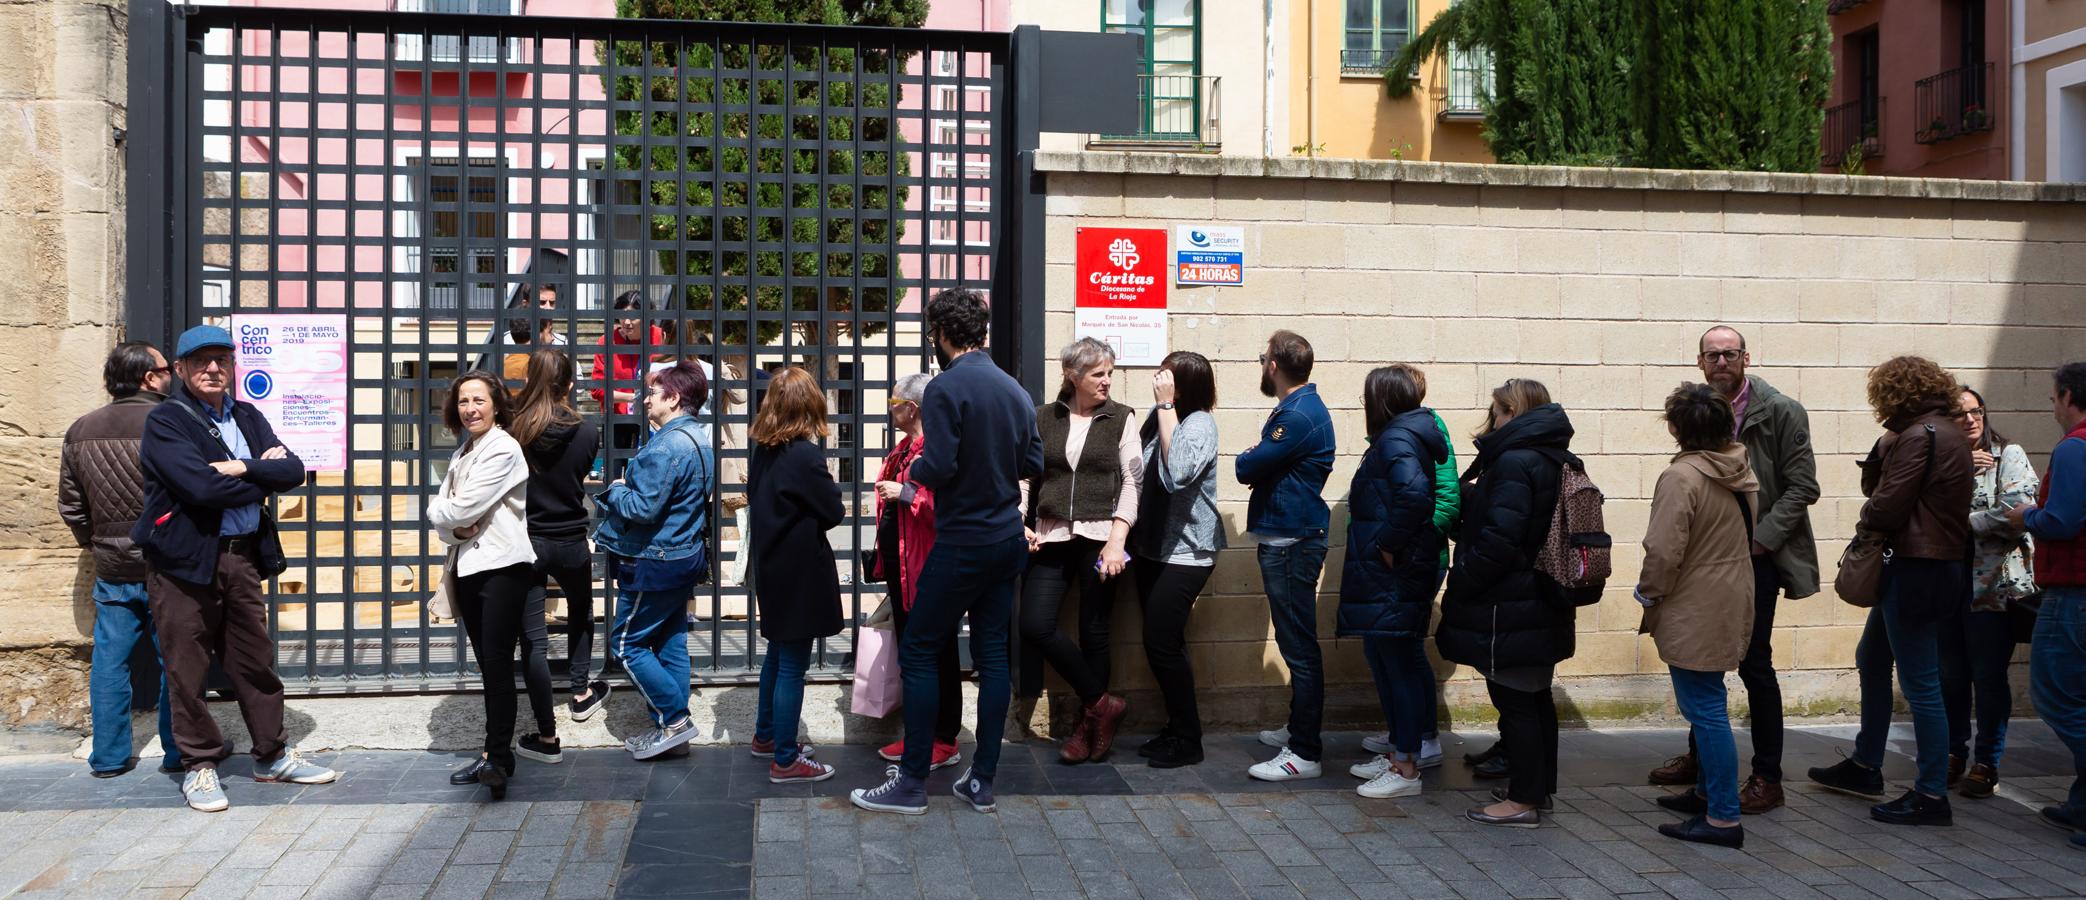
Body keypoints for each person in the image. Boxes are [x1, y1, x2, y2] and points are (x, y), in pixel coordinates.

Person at [852, 288, 1043, 817]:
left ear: (940, 333)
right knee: (992, 657)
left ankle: (911, 784)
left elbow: (934, 468)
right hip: (1007, 538)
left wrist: (916, 474)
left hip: (964, 539)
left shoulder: (944, 387)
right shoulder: (1014, 388)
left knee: (918, 649)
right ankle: (982, 781)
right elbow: (1033, 459)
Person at [133, 325, 338, 813]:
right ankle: (199, 766)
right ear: (180, 370)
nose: (213, 369)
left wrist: (243, 469)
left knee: (254, 661)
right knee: (187, 669)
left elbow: (292, 470)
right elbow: (201, 490)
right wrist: (260, 472)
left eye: (221, 360)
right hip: (185, 562)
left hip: (242, 556)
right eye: (201, 361)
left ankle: (272, 754)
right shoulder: (168, 422)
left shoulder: (248, 414)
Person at [1648, 326, 1820, 814]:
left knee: (1754, 665)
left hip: (1758, 558)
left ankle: (1767, 775)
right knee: (1702, 663)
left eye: (1730, 353)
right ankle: (1704, 766)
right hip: (1712, 561)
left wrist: (1761, 537)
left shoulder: (1780, 410)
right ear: (1700, 361)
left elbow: (1802, 486)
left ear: (1746, 357)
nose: (1722, 361)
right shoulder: (1702, 408)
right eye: (1712, 355)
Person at [1809, 356, 1974, 827]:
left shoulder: (1921, 436)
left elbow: (1884, 504)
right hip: (1933, 566)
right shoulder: (1943, 433)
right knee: (1873, 659)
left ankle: (1929, 793)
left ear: (1894, 394)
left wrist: (1865, 522)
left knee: (1921, 682)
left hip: (1914, 567)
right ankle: (1865, 764)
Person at [1435, 379, 1576, 828]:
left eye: (1495, 410)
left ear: (1511, 411)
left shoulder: (1517, 460)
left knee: (1516, 701)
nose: (1490, 417)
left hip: (1511, 603)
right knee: (1534, 699)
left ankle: (1523, 801)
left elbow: (1501, 539)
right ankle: (1536, 791)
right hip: (1537, 601)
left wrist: (1462, 579)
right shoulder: (1550, 455)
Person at [1639, 383, 1760, 849]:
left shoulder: (1682, 476)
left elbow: (1663, 550)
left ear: (1674, 428)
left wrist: (1648, 594)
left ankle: (1724, 818)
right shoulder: (1739, 466)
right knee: (1709, 701)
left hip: (1695, 601)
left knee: (1706, 710)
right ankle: (1709, 795)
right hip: (1730, 594)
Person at [60, 342, 182, 778]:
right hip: (166, 563)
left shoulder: (81, 429)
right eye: (167, 369)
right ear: (149, 377)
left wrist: (98, 544)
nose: (174, 375)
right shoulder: (171, 423)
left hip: (112, 567)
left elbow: (72, 508)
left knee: (110, 662)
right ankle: (179, 751)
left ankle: (109, 757)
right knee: (177, 660)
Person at [1018, 337, 1141, 765]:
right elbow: (1027, 477)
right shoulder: (1043, 417)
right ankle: (1102, 704)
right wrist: (1023, 521)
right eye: (1098, 374)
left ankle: (1087, 730)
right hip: (1051, 535)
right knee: (1034, 624)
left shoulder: (1121, 418)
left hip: (1101, 539)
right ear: (1073, 376)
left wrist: (1117, 540)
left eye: (1110, 373)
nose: (1107, 381)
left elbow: (1132, 482)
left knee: (1095, 631)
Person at [429, 372, 551, 800]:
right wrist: (453, 527)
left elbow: (462, 506)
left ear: (496, 404)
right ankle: (494, 753)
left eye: (478, 400)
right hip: (471, 566)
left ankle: (498, 758)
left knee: (497, 666)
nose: (470, 409)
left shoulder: (503, 447)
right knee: (488, 667)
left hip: (502, 568)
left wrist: (440, 512)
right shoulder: (466, 449)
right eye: (463, 402)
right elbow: (453, 522)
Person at [1337, 365, 1449, 800]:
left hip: (1394, 573)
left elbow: (1415, 494)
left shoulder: (1398, 438)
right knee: (1389, 660)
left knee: (1399, 665)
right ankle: (1398, 756)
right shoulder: (1399, 436)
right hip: (1389, 573)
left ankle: (1405, 767)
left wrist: (1387, 542)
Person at [593, 361, 714, 760]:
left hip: (654, 560)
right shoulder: (700, 438)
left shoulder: (666, 445)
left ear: (673, 397)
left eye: (652, 392)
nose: (644, 398)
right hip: (682, 555)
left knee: (626, 644)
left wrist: (614, 490)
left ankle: (675, 719)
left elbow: (643, 508)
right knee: (670, 640)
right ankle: (670, 729)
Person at [1241, 330, 1337, 783]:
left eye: (1263, 358)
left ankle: (1305, 752)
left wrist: (1252, 455)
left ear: (1274, 365)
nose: (1262, 365)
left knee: (1299, 647)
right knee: (1294, 642)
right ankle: (1298, 730)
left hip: (1292, 544)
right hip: (1287, 540)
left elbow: (1248, 466)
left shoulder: (1297, 415)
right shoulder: (1298, 410)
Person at [747, 366, 847, 784]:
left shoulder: (764, 450)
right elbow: (834, 510)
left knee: (777, 654)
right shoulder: (804, 455)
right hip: (799, 571)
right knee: (792, 665)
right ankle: (785, 759)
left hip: (772, 567)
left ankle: (767, 736)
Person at [2004, 362, 2086, 850]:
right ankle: (2080, 803)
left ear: (2070, 396)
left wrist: (2025, 514)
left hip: (2074, 592)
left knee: (2055, 695)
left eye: (2054, 397)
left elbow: (2061, 521)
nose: (2051, 406)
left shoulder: (2075, 447)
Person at [1942, 384, 2038, 799]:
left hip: (1993, 587)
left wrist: (1965, 521)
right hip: (1947, 586)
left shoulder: (2008, 455)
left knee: (1988, 677)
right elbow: (1924, 508)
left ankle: (1986, 761)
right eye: (1960, 414)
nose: (1970, 419)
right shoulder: (1944, 462)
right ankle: (1951, 753)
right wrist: (1959, 471)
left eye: (1976, 411)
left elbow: (2016, 512)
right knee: (1950, 676)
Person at [1129, 352, 1224, 769]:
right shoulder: (1160, 418)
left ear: (1182, 385)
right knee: (1164, 644)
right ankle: (1176, 728)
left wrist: (1167, 407)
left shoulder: (1199, 422)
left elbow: (1178, 472)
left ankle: (1190, 740)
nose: (1158, 380)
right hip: (1151, 549)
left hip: (1187, 553)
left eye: (1167, 377)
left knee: (1161, 643)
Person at [871, 373, 964, 771]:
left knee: (936, 652)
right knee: (914, 651)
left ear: (911, 408)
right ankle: (921, 735)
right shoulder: (903, 449)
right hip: (902, 565)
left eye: (893, 402)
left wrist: (905, 492)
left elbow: (945, 508)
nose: (889, 409)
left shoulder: (935, 451)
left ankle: (943, 738)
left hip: (926, 566)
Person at [509, 347, 607, 722]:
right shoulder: (586, 431)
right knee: (581, 612)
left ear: (530, 380)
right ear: (569, 384)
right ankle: (581, 692)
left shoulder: (515, 430)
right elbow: (580, 475)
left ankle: (542, 710)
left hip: (526, 538)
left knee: (531, 633)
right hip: (570, 537)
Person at [593, 290, 671, 458]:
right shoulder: (607, 341)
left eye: (633, 317)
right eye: (622, 316)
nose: (626, 322)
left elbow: (672, 380)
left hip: (654, 417)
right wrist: (635, 397)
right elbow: (598, 390)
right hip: (617, 419)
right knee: (614, 472)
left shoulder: (660, 337)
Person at [499, 284, 567, 386]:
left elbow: (575, 383)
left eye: (552, 303)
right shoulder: (505, 340)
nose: (548, 308)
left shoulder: (562, 341)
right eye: (542, 302)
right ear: (525, 304)